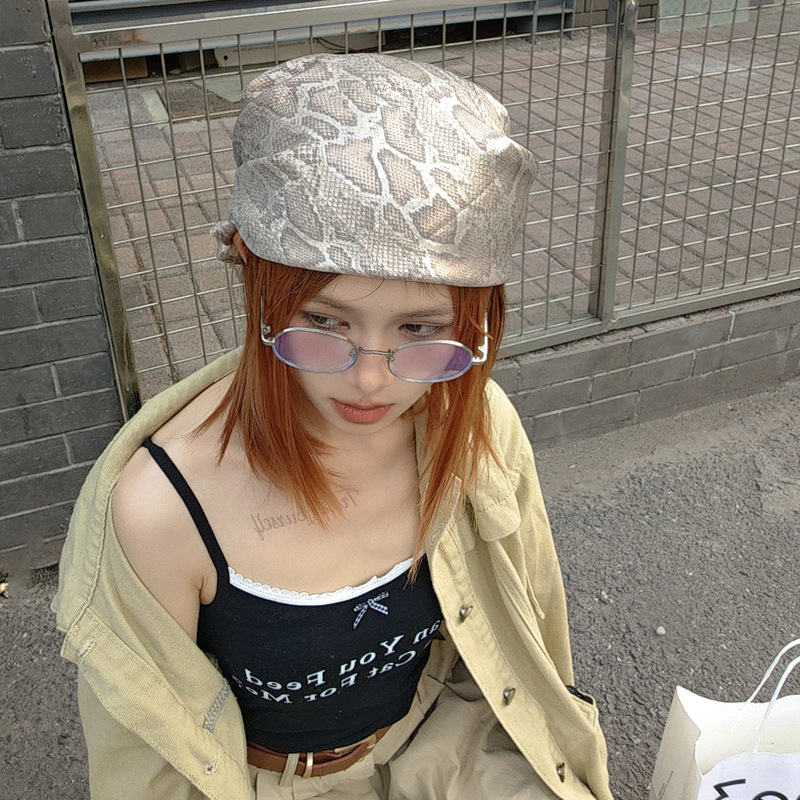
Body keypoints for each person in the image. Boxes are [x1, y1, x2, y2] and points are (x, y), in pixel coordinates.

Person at [53, 53, 612, 800]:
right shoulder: (162, 512)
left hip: (442, 734)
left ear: (478, 324)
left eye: (421, 328)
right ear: (257, 288)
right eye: (323, 321)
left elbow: (533, 618)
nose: (372, 379)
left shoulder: (474, 422)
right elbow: (148, 764)